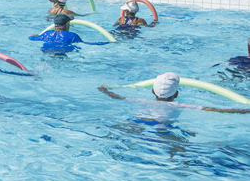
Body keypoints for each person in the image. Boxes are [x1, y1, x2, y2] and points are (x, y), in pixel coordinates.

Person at [99, 72, 250, 114]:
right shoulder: (179, 105)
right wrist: (245, 110)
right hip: (163, 128)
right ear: (176, 94)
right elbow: (218, 110)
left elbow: (118, 97)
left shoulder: (142, 101)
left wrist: (104, 89)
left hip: (141, 120)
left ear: (152, 91)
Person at [29, 14, 107, 52]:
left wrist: (36, 35)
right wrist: (106, 43)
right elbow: (86, 44)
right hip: (62, 55)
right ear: (67, 24)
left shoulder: (46, 34)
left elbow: (31, 38)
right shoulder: (72, 36)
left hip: (46, 52)